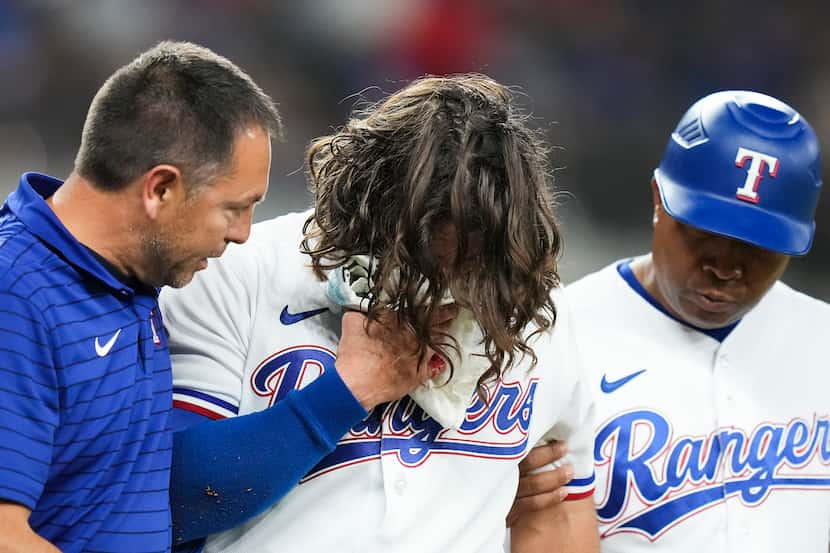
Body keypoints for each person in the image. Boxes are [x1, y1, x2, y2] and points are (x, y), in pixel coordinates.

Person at [161, 74, 600, 553]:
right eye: (431, 261)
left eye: (473, 270)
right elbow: (164, 501)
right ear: (367, 209)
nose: (448, 296)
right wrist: (348, 390)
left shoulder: (533, 308)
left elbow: (558, 508)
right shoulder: (239, 270)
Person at [515, 90, 830, 552]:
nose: (726, 266)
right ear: (658, 199)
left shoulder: (821, 338)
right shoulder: (553, 336)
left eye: (758, 247)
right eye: (706, 234)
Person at [0, 41, 282, 552]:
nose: (243, 233)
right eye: (234, 208)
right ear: (160, 190)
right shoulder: (16, 294)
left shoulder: (129, 279)